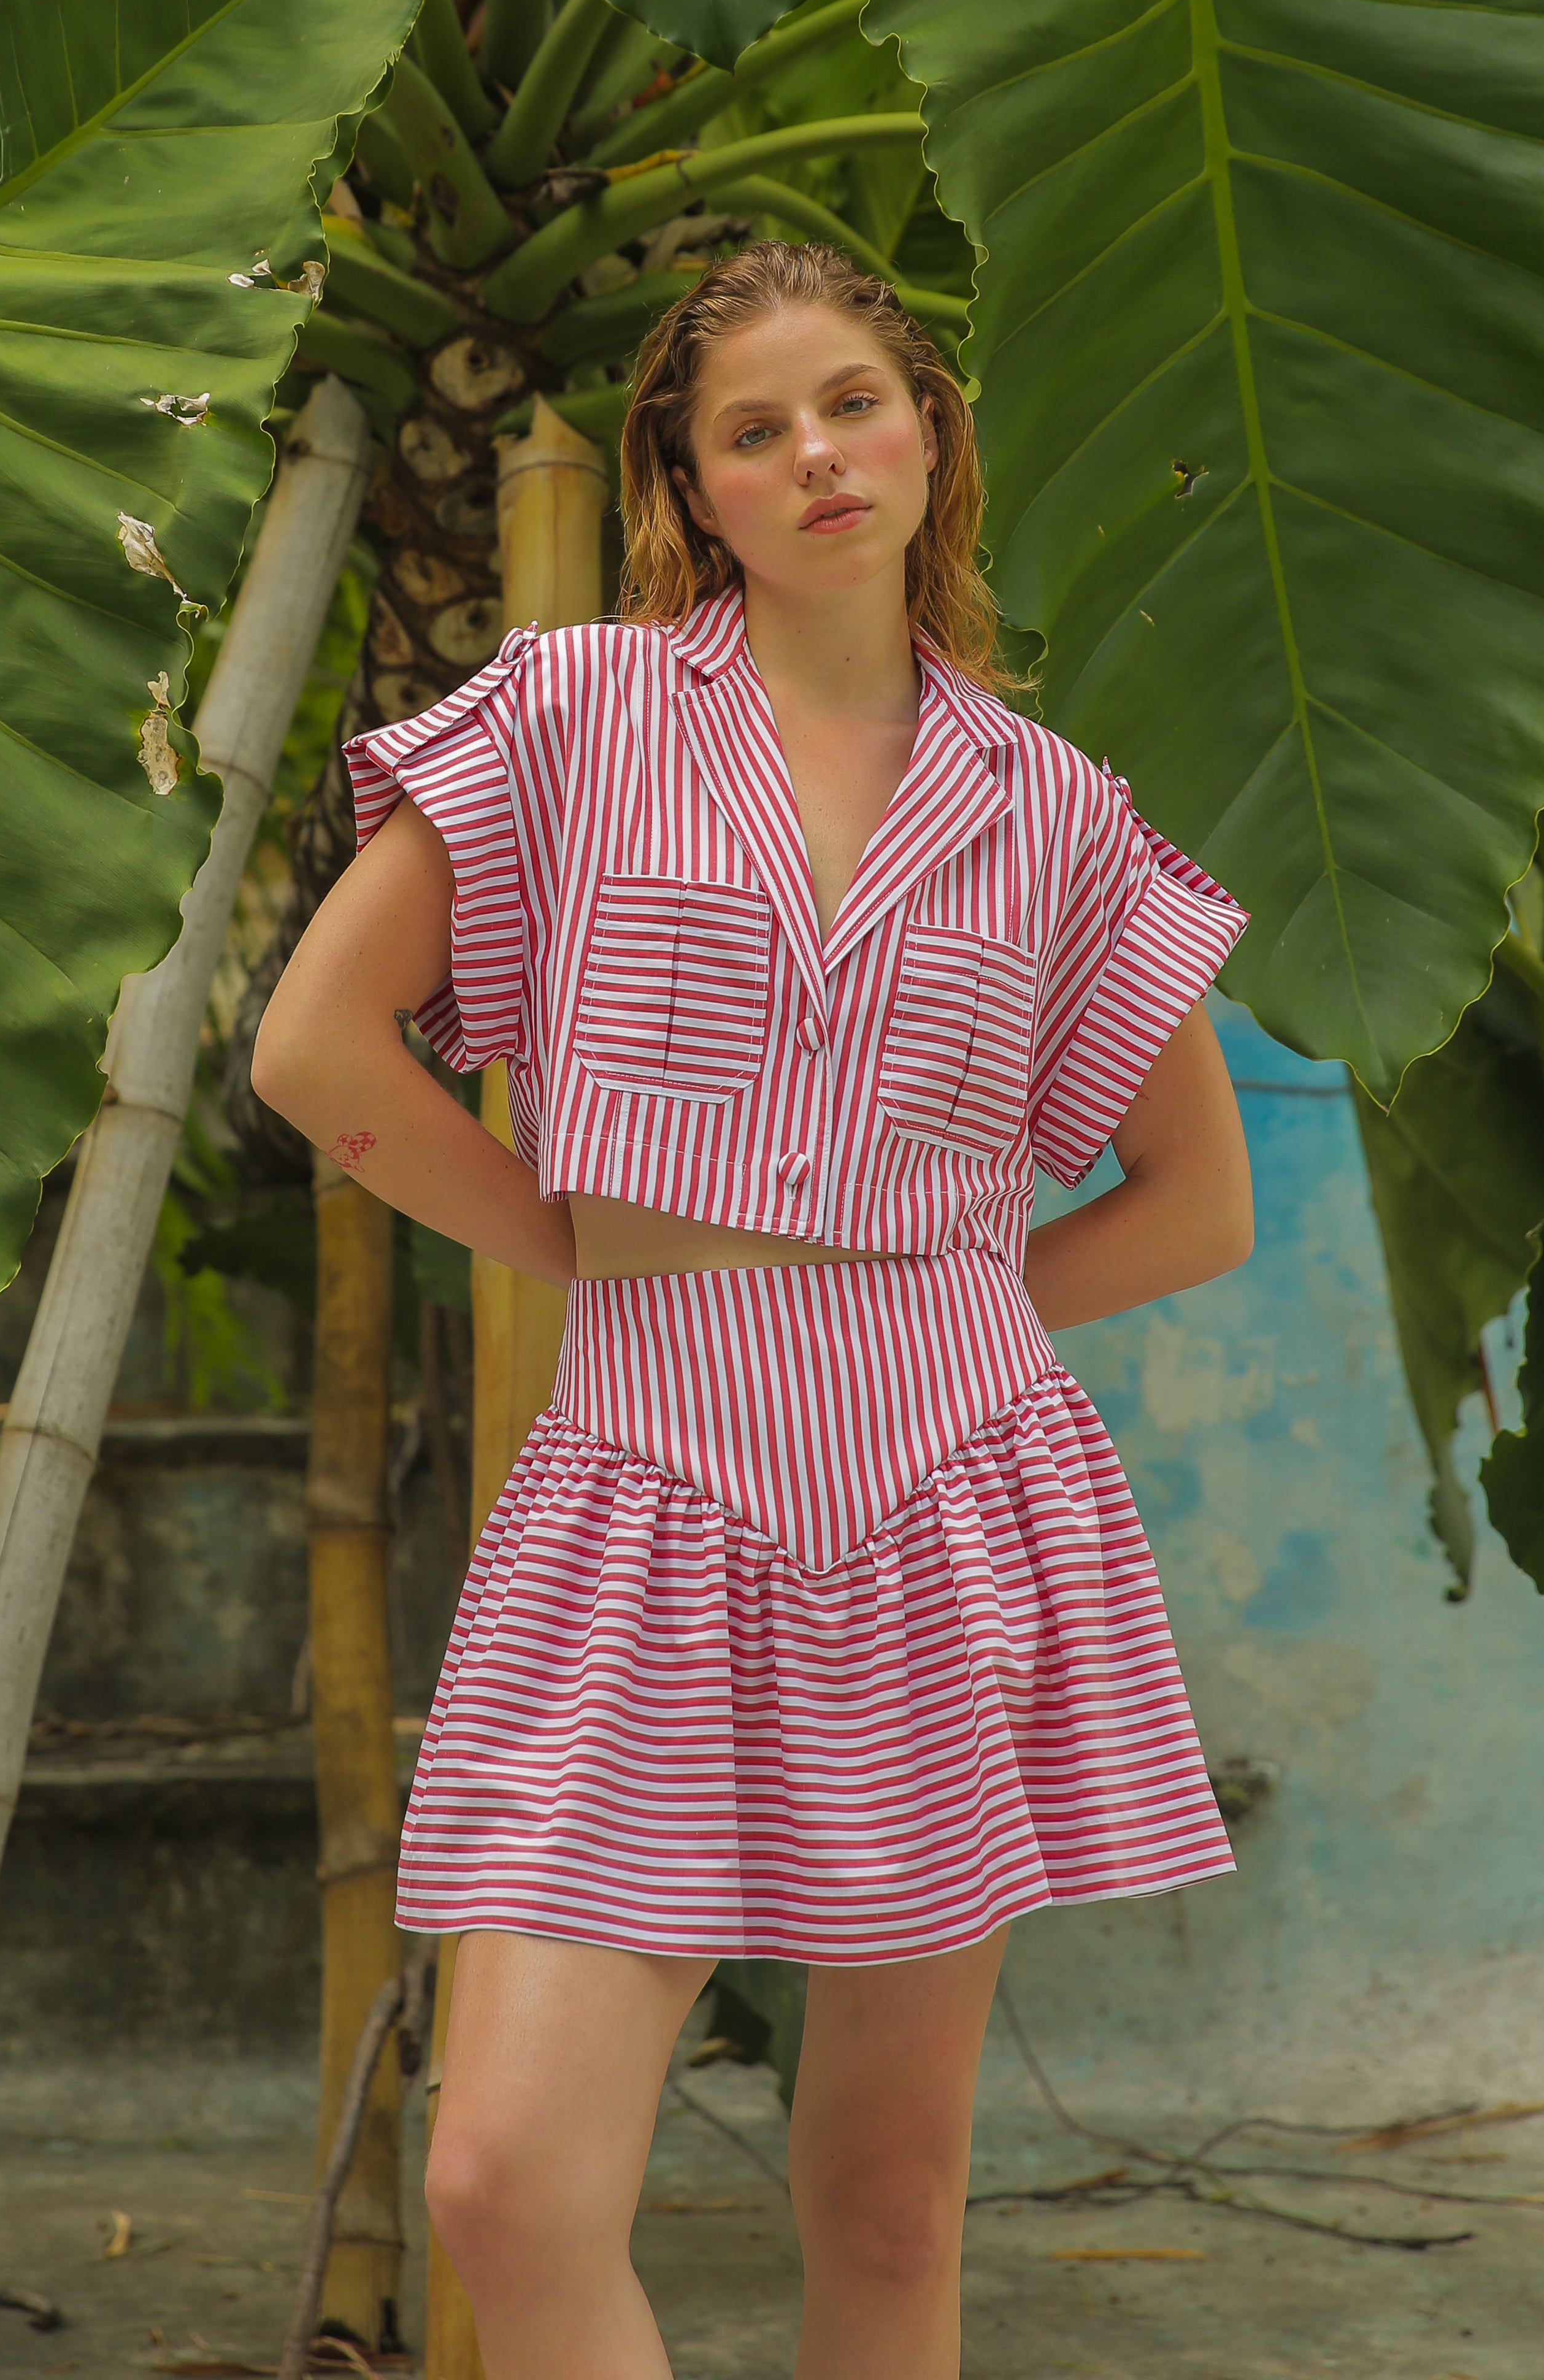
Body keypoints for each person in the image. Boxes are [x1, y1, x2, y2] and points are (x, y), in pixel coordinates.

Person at [252, 241, 1253, 2380]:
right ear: (687, 487)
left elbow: (1192, 1206)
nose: (817, 455)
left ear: (931, 437)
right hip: (645, 1494)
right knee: (503, 2186)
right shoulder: (573, 713)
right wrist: (570, 1245)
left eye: (857, 404)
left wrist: (951, 1306)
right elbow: (318, 1052)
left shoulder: (1051, 807)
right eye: (754, 428)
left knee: (886, 2206)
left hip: (943, 1507)